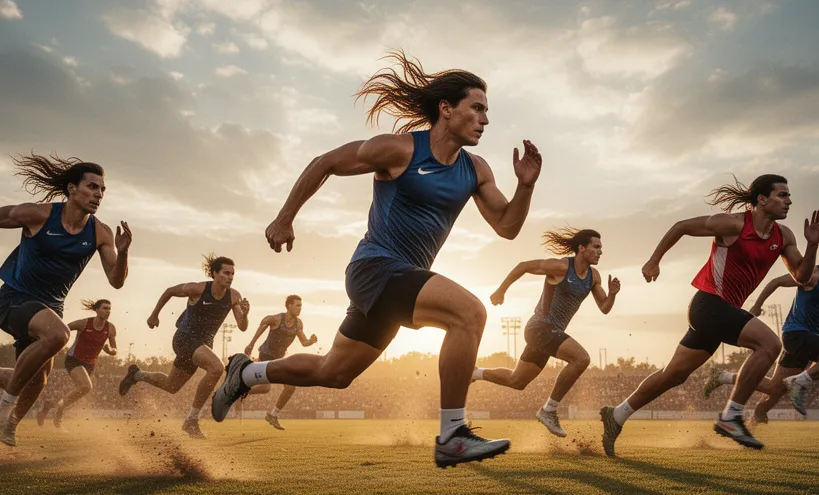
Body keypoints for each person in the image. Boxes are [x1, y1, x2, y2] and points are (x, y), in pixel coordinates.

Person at [210, 50, 542, 468]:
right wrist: (285, 217)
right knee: (470, 314)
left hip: (401, 281)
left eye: (486, 111)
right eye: (477, 108)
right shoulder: (399, 149)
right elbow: (326, 162)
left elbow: (507, 226)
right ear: (446, 109)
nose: (485, 120)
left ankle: (245, 373)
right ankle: (453, 435)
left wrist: (525, 186)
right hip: (375, 267)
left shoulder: (476, 170)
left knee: (333, 373)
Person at [599, 174, 819, 456]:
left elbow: (802, 276)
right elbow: (681, 226)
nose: (788, 201)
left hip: (721, 313)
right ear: (762, 199)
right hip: (708, 305)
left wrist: (813, 245)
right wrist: (654, 260)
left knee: (673, 375)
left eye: (789, 195)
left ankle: (617, 414)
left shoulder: (784, 236)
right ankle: (732, 416)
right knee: (769, 344)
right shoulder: (732, 224)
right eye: (782, 195)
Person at [0, 153, 131, 446]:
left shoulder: (101, 232)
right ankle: (1, 407)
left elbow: (117, 281)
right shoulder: (39, 215)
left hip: (50, 309)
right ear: (72, 189)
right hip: (14, 299)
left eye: (102, 189)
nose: (99, 194)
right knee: (59, 335)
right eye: (92, 187)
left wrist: (124, 253)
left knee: (36, 379)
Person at [703, 238, 819, 422]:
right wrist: (757, 306)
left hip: (807, 340)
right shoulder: (813, 274)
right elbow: (776, 282)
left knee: (774, 388)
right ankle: (800, 381)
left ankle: (724, 378)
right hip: (795, 334)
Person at [472, 228, 619, 437]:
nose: (600, 252)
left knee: (517, 381)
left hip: (550, 334)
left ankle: (475, 373)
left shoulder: (594, 277)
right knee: (581, 359)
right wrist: (501, 290)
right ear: (581, 248)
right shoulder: (561, 267)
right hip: (539, 327)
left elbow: (604, 307)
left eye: (600, 248)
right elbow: (523, 266)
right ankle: (549, 410)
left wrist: (612, 295)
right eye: (596, 247)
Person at [117, 255, 249, 439]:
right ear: (214, 273)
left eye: (232, 274)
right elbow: (170, 291)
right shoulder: (198, 289)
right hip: (184, 338)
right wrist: (154, 315)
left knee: (171, 386)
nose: (230, 277)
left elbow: (242, 326)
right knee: (216, 367)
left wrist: (246, 314)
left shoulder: (234, 296)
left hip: (202, 345)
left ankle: (137, 374)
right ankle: (191, 420)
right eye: (226, 273)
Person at [36, 299, 118, 427]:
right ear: (96, 310)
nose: (108, 311)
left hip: (90, 364)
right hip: (74, 359)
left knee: (79, 392)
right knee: (86, 386)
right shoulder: (84, 323)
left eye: (109, 309)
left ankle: (49, 406)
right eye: (105, 308)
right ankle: (59, 412)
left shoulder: (111, 328)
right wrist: (52, 342)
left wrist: (110, 350)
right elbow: (64, 329)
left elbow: (115, 350)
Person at [243, 295, 318, 430]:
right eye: (297, 305)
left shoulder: (298, 323)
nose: (300, 308)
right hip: (266, 355)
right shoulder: (277, 319)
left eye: (301, 306)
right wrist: (251, 344)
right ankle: (240, 391)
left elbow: (303, 342)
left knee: (290, 387)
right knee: (265, 388)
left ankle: (273, 415)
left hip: (280, 358)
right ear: (289, 305)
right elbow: (264, 323)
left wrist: (311, 341)